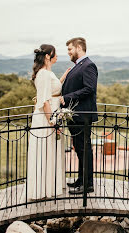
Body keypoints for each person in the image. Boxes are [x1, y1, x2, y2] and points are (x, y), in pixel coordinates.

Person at [27, 44, 70, 200]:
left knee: (50, 151)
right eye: (55, 53)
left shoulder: (46, 73)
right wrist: (53, 122)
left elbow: (51, 90)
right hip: (47, 118)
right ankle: (44, 189)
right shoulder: (44, 74)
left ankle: (49, 185)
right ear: (48, 56)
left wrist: (64, 76)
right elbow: (45, 101)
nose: (57, 56)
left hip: (50, 115)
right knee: (46, 151)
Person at [60, 37, 98, 194]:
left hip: (83, 115)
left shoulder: (88, 65)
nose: (68, 52)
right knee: (79, 149)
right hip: (75, 116)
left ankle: (88, 185)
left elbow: (89, 88)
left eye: (70, 49)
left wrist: (66, 98)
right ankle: (81, 180)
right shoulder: (77, 66)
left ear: (79, 48)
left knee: (84, 149)